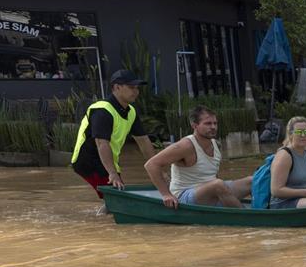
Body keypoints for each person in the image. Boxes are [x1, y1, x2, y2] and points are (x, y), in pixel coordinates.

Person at [143, 105, 254, 209]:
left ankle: (263, 208)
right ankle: (248, 217)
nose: (213, 127)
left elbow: (212, 174)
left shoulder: (216, 144)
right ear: (194, 125)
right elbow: (151, 165)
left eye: (215, 123)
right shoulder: (185, 145)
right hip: (185, 196)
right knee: (218, 184)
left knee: (254, 180)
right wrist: (166, 194)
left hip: (212, 192)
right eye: (208, 123)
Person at [71, 69, 157, 200]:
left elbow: (143, 141)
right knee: (117, 199)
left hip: (107, 161)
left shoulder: (131, 111)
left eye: (137, 88)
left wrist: (158, 168)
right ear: (117, 87)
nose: (136, 91)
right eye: (131, 87)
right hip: (88, 160)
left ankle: (104, 214)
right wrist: (112, 173)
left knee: (115, 199)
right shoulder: (102, 110)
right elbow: (101, 144)